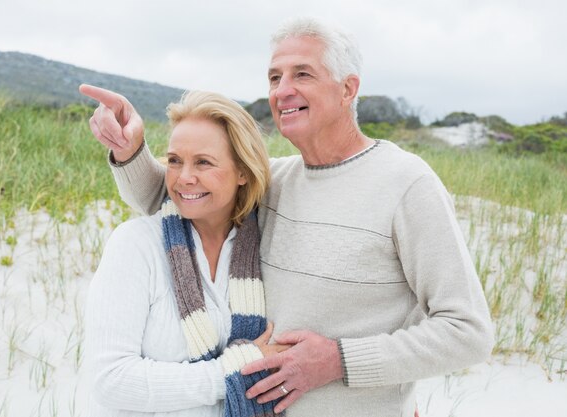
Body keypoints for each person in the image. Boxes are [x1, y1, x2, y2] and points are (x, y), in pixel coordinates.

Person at [80, 17, 494, 417]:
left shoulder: (407, 185)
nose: (282, 91)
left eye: (302, 75)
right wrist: (129, 150)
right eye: (274, 77)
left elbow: (467, 332)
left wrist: (338, 360)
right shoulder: (276, 179)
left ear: (348, 89)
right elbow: (179, 195)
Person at [84, 90, 288, 417]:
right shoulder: (135, 245)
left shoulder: (264, 248)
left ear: (243, 172)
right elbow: (112, 381)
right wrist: (235, 369)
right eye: (175, 160)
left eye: (203, 162)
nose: (184, 178)